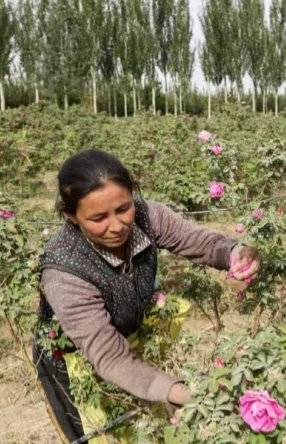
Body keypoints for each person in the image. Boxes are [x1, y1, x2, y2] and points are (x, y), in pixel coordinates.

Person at [32, 149, 261, 443]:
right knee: (95, 434)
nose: (116, 226)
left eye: (123, 208)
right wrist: (183, 392)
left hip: (129, 341)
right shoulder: (64, 271)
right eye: (98, 218)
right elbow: (110, 357)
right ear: (71, 216)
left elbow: (200, 242)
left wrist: (236, 252)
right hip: (73, 361)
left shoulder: (148, 217)